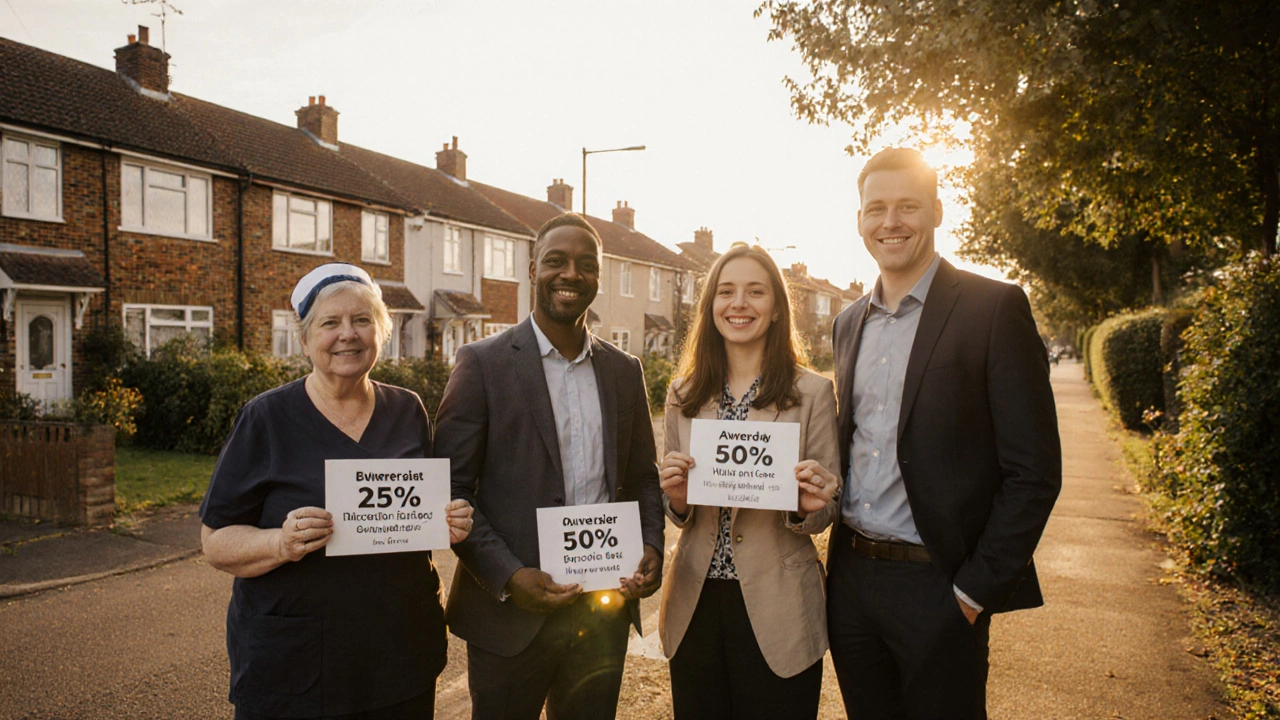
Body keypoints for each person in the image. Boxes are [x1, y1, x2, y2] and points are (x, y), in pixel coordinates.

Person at [827, 148, 1062, 720]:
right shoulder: (846, 321)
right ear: (858, 220)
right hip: (853, 581)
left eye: (907, 206)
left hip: (941, 586)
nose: (891, 222)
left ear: (936, 210)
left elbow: (1034, 472)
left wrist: (973, 591)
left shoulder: (994, 308)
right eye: (875, 208)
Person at [200, 263, 475, 720]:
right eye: (330, 323)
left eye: (362, 320)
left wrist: (449, 521)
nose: (348, 334)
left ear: (380, 332)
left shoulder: (407, 409)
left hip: (399, 657)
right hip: (294, 666)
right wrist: (280, 543)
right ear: (305, 340)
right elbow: (215, 542)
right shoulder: (266, 418)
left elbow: (420, 512)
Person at [433, 212, 665, 720]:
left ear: (598, 276)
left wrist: (650, 544)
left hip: (601, 613)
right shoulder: (482, 364)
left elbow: (644, 476)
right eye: (556, 261)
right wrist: (510, 575)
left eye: (586, 264)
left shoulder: (624, 371)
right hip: (511, 616)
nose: (571, 274)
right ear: (533, 267)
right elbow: (451, 489)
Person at [656, 243, 841, 720]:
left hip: (779, 605)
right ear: (711, 307)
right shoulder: (684, 393)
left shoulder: (813, 393)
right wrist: (676, 500)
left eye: (755, 292)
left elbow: (826, 510)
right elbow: (679, 512)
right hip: (696, 603)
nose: (739, 304)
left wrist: (805, 505)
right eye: (726, 291)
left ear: (777, 308)